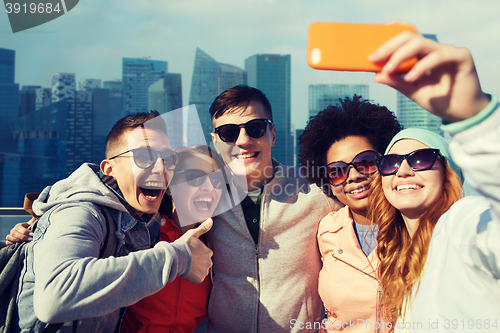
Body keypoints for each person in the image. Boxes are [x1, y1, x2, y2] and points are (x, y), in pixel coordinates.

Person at [14, 111, 213, 332]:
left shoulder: (142, 219)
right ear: (109, 169)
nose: (160, 168)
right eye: (144, 157)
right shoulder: (82, 211)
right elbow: (54, 297)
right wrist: (178, 257)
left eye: (167, 159)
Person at [367, 27, 499, 330]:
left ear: (449, 172)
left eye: (421, 159)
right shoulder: (395, 258)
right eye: (390, 163)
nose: (403, 171)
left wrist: (474, 119)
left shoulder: (464, 224)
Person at [207, 85, 342, 332]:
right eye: (228, 132)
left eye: (255, 128)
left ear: (273, 134)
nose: (243, 141)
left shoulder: (314, 188)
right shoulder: (203, 196)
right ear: (215, 142)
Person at [299, 95, 401, 332]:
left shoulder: (417, 224)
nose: (353, 176)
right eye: (337, 171)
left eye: (365, 162)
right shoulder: (326, 230)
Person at [120, 144, 228, 333]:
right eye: (196, 177)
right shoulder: (136, 234)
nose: (209, 187)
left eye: (217, 181)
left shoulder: (217, 247)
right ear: (169, 184)